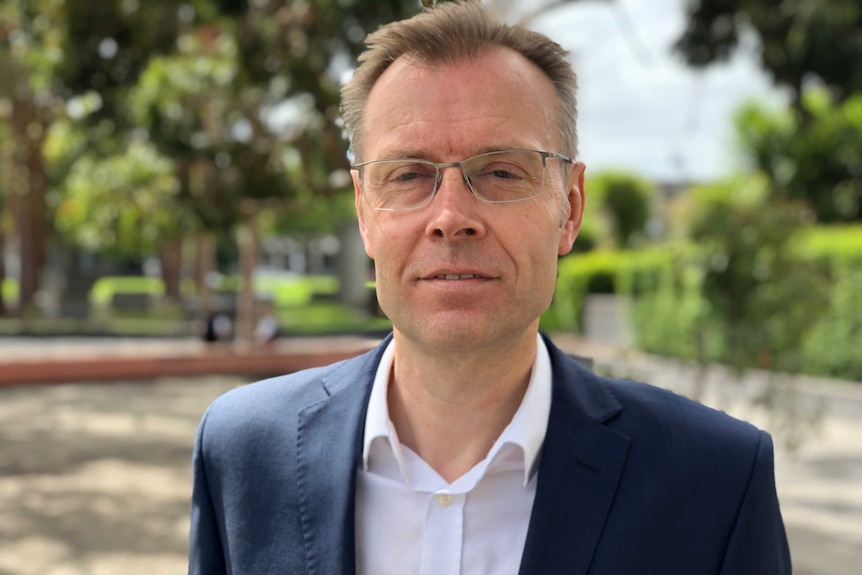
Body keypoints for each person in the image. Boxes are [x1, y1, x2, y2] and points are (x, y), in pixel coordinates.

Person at [188, 2, 791, 574]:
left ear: (571, 208)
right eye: (408, 175)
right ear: (364, 211)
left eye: (501, 171)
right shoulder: (242, 453)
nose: (451, 216)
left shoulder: (715, 481)